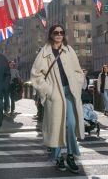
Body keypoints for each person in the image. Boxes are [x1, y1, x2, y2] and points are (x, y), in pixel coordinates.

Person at [30, 24, 85, 173]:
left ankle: (71, 155)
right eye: (56, 32)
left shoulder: (69, 50)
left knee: (71, 124)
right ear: (51, 35)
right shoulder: (44, 52)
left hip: (70, 92)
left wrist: (78, 83)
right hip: (55, 94)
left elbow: (78, 71)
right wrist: (49, 91)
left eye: (61, 32)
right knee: (56, 126)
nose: (59, 35)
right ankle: (59, 156)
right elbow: (36, 75)